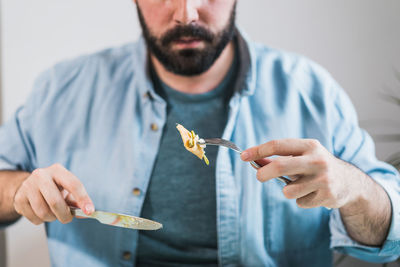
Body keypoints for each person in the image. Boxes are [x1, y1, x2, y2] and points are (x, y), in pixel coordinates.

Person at [0, 0, 399, 266]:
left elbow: (390, 236)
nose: (187, 13)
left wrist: (354, 188)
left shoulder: (310, 92)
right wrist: (21, 189)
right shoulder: (63, 90)